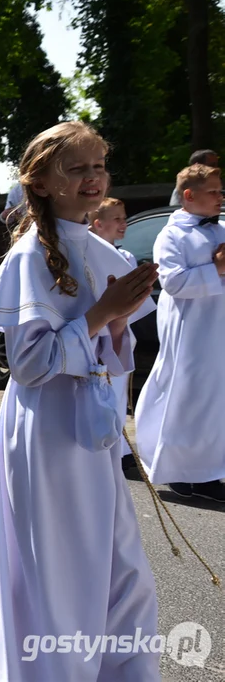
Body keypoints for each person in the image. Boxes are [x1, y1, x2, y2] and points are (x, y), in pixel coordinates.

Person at [0, 121, 160, 679]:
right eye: (76, 168)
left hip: (92, 432)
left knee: (121, 571)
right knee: (58, 571)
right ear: (44, 181)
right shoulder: (30, 257)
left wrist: (119, 321)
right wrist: (102, 314)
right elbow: (28, 367)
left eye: (98, 166)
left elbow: (112, 353)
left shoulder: (106, 250)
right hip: (48, 433)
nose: (92, 178)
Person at [135, 163, 225, 502]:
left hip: (217, 324)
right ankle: (180, 470)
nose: (221, 196)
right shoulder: (171, 235)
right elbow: (172, 283)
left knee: (215, 400)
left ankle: (208, 470)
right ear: (189, 196)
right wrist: (215, 268)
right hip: (190, 328)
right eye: (214, 191)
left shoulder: (220, 231)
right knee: (188, 396)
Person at [88, 197, 138, 467]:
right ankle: (104, 440)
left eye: (124, 217)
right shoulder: (90, 255)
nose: (123, 223)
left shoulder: (126, 256)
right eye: (117, 218)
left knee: (118, 389)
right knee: (101, 390)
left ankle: (119, 444)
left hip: (120, 331)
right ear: (98, 224)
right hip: (99, 332)